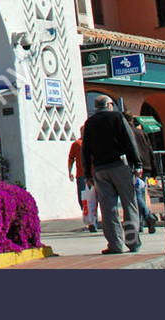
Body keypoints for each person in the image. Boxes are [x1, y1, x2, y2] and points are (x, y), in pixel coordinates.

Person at [82, 95, 141, 254]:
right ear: (108, 105)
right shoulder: (117, 117)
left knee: (108, 209)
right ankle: (132, 242)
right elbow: (130, 141)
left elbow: (85, 151)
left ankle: (115, 245)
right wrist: (137, 163)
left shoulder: (89, 123)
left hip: (100, 169)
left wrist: (88, 173)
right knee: (129, 204)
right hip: (120, 166)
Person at [130, 116, 158, 233]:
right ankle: (141, 224)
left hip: (135, 167)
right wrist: (154, 170)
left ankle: (148, 217)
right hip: (146, 167)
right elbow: (150, 150)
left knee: (136, 195)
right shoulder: (142, 133)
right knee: (140, 193)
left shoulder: (129, 133)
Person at [68, 126, 96, 231]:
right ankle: (90, 220)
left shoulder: (91, 143)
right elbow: (71, 158)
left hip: (90, 175)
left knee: (90, 199)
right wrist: (69, 172)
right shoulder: (76, 144)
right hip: (82, 175)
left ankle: (92, 221)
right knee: (84, 199)